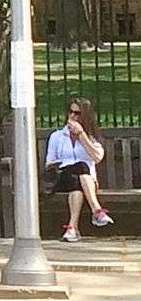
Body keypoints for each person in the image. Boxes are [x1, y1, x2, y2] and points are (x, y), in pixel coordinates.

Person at [46, 97, 113, 241]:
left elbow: (97, 157)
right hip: (63, 177)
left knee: (78, 180)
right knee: (79, 167)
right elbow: (49, 164)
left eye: (77, 113)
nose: (72, 116)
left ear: (85, 117)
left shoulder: (92, 137)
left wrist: (82, 135)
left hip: (86, 182)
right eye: (70, 112)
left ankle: (72, 228)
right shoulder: (57, 136)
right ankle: (96, 210)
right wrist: (64, 164)